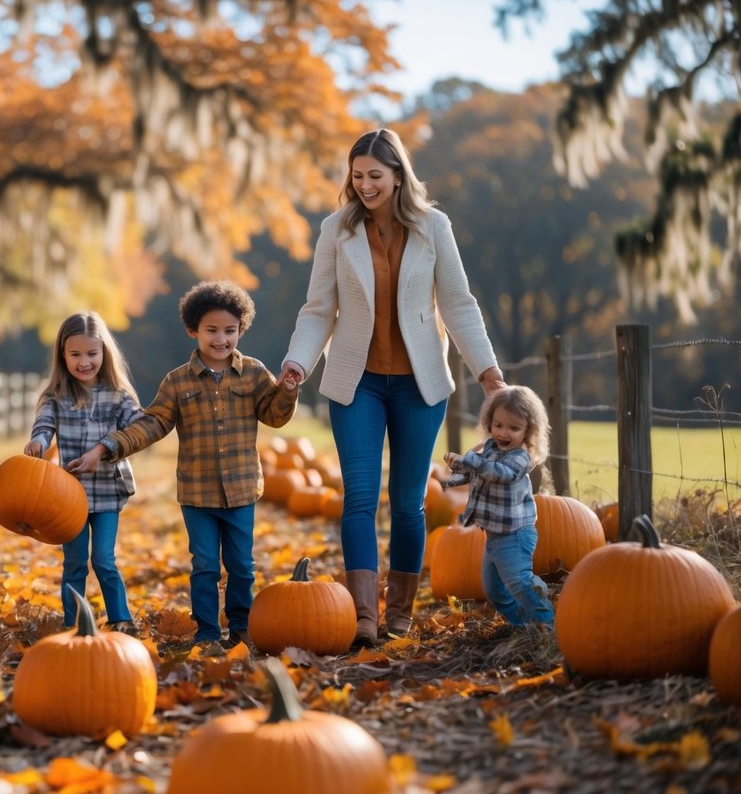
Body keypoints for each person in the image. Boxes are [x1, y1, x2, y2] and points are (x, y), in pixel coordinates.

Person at [279, 128, 505, 648]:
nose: (364, 186)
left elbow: (458, 303)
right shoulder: (336, 229)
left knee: (408, 502)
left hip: (418, 384)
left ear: (398, 175)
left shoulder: (433, 227)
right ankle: (364, 616)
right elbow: (319, 309)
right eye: (356, 177)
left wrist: (488, 372)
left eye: (374, 176)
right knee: (358, 496)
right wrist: (296, 363)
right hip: (355, 383)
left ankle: (399, 611)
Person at [71, 281, 300, 654]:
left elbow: (274, 417)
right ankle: (208, 631)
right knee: (206, 565)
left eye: (230, 331)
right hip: (198, 493)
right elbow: (153, 423)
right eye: (212, 330)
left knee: (242, 564)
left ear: (241, 330)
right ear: (194, 330)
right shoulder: (177, 382)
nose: (221, 339)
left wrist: (287, 391)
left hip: (241, 490)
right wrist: (108, 446)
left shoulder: (256, 374)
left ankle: (241, 626)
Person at [24, 311, 143, 631]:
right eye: (75, 354)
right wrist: (37, 441)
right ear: (63, 355)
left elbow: (138, 428)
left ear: (104, 352)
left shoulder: (118, 395)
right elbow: (44, 424)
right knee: (75, 562)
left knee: (103, 559)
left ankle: (121, 619)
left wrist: (103, 448)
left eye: (92, 353)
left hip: (107, 492)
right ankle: (74, 622)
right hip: (70, 496)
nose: (84, 361)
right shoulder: (56, 396)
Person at [444, 385, 554, 628]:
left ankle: (549, 626)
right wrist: (456, 471)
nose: (504, 433)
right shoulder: (491, 448)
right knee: (495, 591)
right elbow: (478, 474)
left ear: (528, 432)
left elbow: (500, 474)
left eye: (514, 428)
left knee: (520, 582)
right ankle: (524, 626)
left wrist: (472, 459)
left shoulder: (519, 457)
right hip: (495, 535)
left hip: (515, 535)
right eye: (498, 425)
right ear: (489, 423)